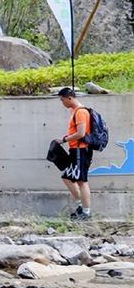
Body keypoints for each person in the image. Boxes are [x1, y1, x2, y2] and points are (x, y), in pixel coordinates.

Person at [56, 87, 92, 220]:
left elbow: (81, 133)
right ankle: (80, 206)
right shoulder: (75, 111)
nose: (62, 103)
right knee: (67, 177)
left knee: (81, 181)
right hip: (76, 150)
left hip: (80, 150)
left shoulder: (81, 112)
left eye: (62, 100)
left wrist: (64, 139)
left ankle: (86, 212)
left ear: (69, 98)